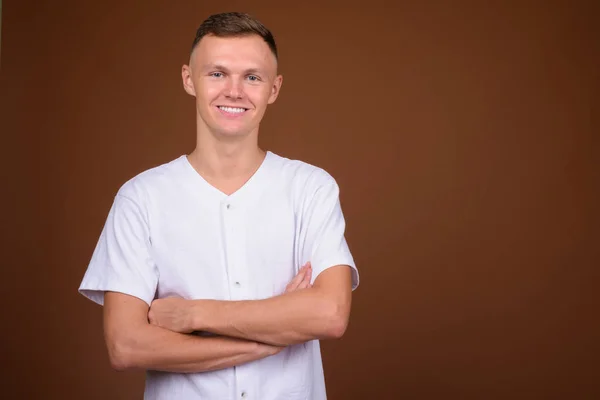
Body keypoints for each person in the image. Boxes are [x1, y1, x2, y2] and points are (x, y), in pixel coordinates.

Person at [78, 11, 359, 400]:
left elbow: (329, 314)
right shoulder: (139, 199)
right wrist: (271, 338)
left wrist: (193, 315)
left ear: (273, 89)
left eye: (252, 77)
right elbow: (126, 346)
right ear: (188, 79)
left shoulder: (311, 188)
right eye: (217, 73)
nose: (234, 91)